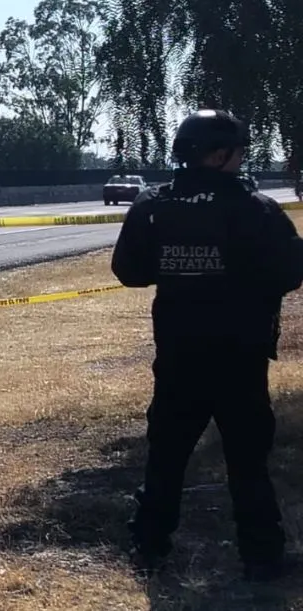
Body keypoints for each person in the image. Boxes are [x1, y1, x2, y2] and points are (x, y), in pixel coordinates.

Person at [111, 110, 303, 581]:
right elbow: (290, 273)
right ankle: (262, 557)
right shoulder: (255, 208)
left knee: (167, 454)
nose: (240, 160)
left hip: (178, 352)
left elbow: (129, 271)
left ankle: (149, 547)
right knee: (247, 460)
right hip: (240, 355)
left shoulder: (153, 204)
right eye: (238, 152)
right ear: (220, 156)